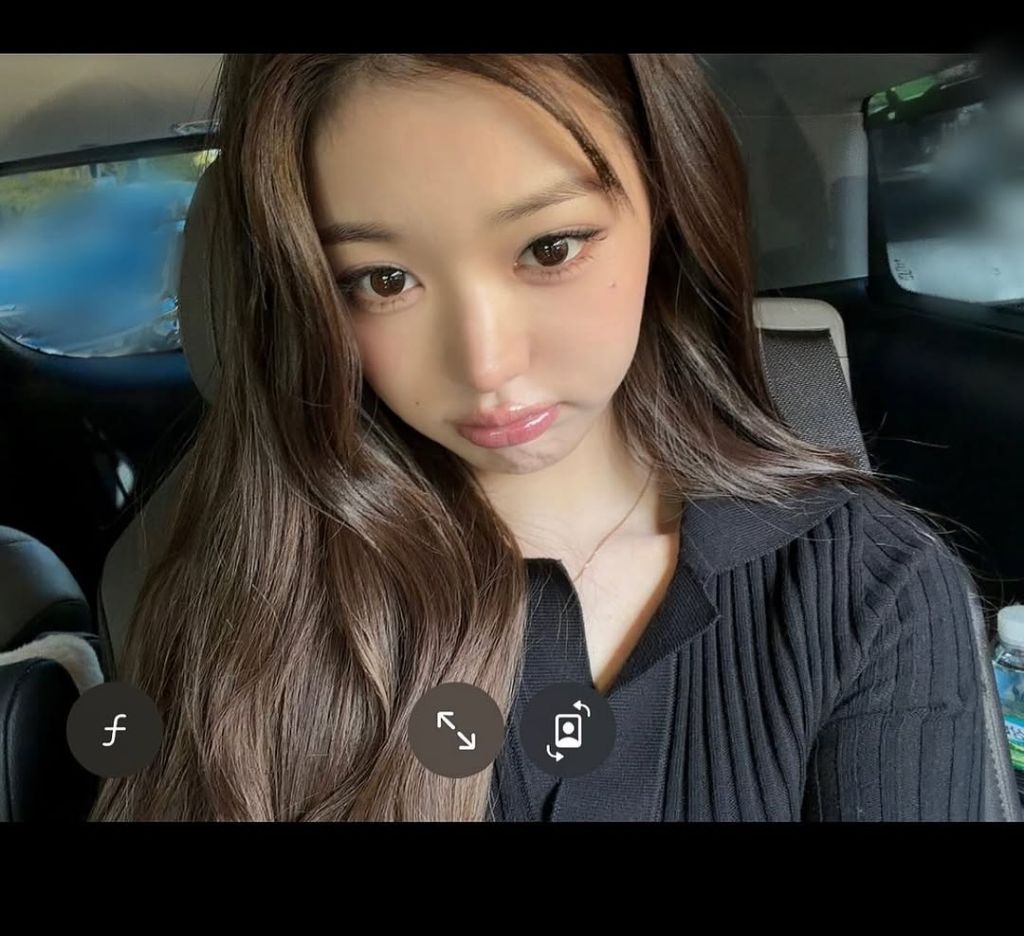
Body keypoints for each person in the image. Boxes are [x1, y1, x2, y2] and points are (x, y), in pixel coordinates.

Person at [90, 53, 988, 822]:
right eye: (383, 279)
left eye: (550, 247)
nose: (487, 365)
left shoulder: (871, 591)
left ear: (666, 201)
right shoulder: (248, 603)